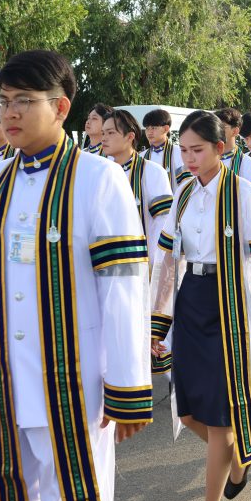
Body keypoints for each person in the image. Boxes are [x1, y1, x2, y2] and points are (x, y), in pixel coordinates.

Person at [0, 50, 152, 501]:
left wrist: (127, 383)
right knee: (11, 495)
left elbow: (122, 288)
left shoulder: (99, 178)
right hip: (4, 378)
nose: (9, 113)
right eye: (3, 101)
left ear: (60, 107)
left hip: (75, 379)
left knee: (78, 499)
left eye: (23, 100)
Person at [151, 110, 251, 501]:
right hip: (190, 300)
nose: (189, 158)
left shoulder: (244, 194)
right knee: (187, 411)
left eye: (197, 150)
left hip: (229, 305)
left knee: (220, 415)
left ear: (220, 147)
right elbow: (167, 261)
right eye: (183, 150)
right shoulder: (183, 193)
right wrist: (157, 322)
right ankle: (236, 457)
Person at [101, 108, 174, 375]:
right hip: (104, 265)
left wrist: (154, 269)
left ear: (130, 136)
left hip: (139, 266)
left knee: (142, 332)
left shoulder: (151, 172)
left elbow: (160, 226)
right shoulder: (99, 171)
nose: (104, 138)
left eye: (110, 133)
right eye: (103, 132)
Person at [213, 107, 251, 189]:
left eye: (222, 127)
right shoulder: (206, 162)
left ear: (235, 131)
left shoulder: (250, 165)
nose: (216, 131)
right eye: (214, 127)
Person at [143, 108, 189, 188]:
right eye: (147, 128)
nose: (149, 132)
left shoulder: (180, 153)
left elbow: (187, 183)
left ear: (166, 129)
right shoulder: (142, 156)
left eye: (154, 128)